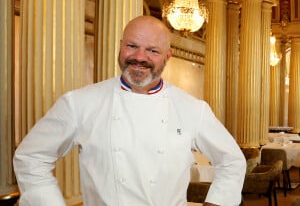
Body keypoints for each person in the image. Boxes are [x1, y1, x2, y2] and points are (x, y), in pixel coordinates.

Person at [14, 15, 246, 206]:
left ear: (167, 56)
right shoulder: (79, 103)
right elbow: (31, 157)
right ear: (121, 46)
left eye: (152, 51)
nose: (139, 58)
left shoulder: (193, 109)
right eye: (132, 46)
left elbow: (233, 162)